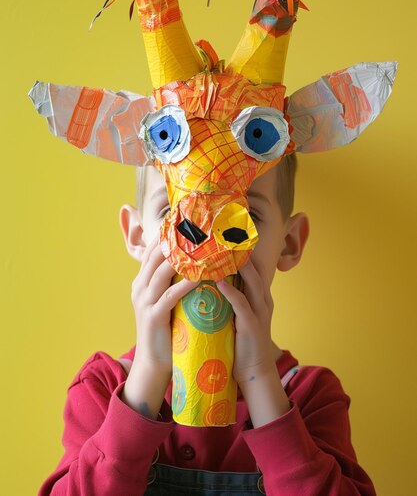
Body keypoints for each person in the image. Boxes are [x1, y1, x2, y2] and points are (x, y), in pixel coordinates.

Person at [38, 154, 377, 496]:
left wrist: (260, 377)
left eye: (242, 217)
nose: (206, 249)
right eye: (176, 215)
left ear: (287, 244)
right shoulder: (102, 387)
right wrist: (150, 372)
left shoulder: (310, 396)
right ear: (139, 236)